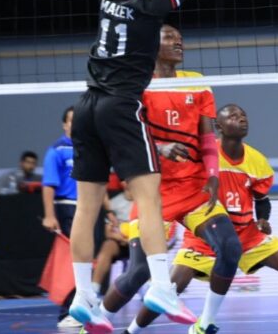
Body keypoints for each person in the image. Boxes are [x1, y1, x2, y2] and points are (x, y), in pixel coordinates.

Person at [68, 0, 245, 333]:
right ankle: (162, 288)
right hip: (120, 106)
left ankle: (83, 297)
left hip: (85, 106)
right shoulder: (151, 6)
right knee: (149, 199)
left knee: (86, 207)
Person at [91, 24, 245, 334]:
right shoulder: (137, 86)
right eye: (170, 37)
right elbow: (126, 138)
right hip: (153, 190)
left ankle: (205, 323)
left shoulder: (197, 83)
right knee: (138, 271)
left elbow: (206, 137)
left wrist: (213, 174)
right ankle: (92, 324)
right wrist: (160, 147)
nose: (179, 42)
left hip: (194, 188)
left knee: (230, 249)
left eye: (180, 38)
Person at [122, 104, 278, 334]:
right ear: (218, 126)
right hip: (205, 238)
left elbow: (262, 199)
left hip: (247, 235)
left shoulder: (257, 160)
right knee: (168, 291)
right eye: (233, 116)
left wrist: (262, 219)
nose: (242, 119)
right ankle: (131, 331)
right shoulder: (203, 157)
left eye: (244, 115)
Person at [41, 106, 80, 327]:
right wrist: (49, 215)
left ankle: (82, 307)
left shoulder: (89, 148)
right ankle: (67, 312)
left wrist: (109, 212)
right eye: (72, 120)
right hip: (67, 208)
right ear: (65, 124)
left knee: (86, 259)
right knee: (73, 261)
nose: (76, 124)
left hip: (87, 209)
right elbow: (49, 184)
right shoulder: (57, 150)